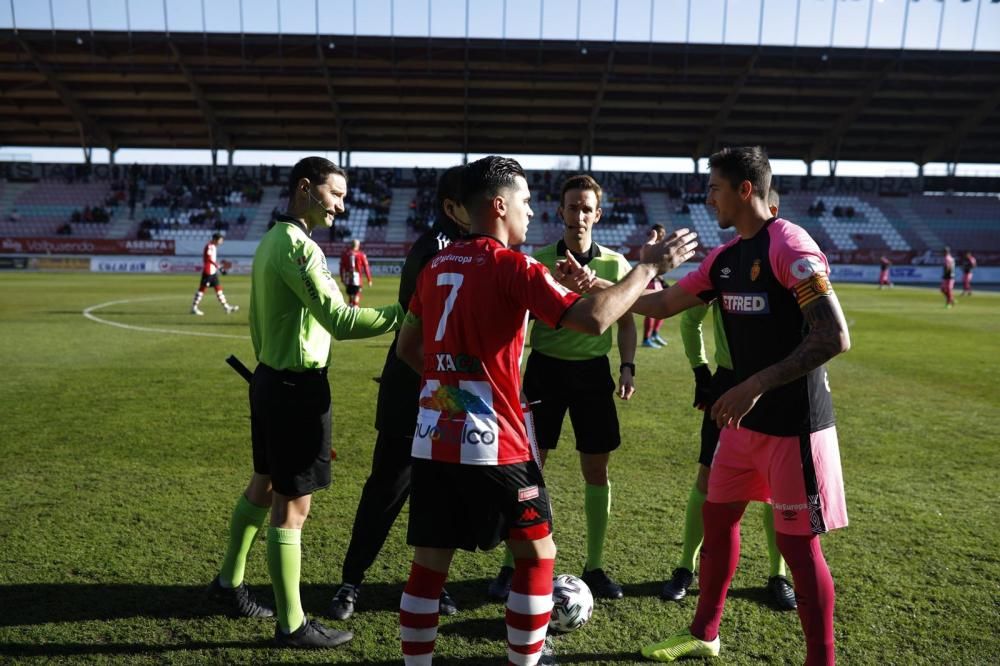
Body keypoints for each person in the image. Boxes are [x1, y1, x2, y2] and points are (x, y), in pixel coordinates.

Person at [394, 155, 697, 665]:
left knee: (429, 564)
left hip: (434, 433)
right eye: (527, 202)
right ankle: (525, 662)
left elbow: (407, 348)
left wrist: (453, 385)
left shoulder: (436, 265)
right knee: (538, 555)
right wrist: (649, 267)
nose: (532, 213)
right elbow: (596, 319)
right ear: (498, 206)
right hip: (497, 439)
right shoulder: (515, 265)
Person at [630, 146, 850, 665]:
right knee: (717, 518)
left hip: (794, 427)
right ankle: (705, 632)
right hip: (742, 426)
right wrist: (592, 288)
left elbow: (833, 336)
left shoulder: (791, 244)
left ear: (745, 189)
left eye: (715, 189)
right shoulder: (726, 257)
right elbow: (663, 303)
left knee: (798, 549)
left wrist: (754, 385)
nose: (709, 199)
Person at [207, 157, 405, 649]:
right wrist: (406, 312)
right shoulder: (298, 247)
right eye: (335, 194)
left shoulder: (272, 240)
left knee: (264, 482)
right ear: (305, 189)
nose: (342, 205)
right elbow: (339, 319)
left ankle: (227, 583)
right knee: (292, 505)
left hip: (270, 382)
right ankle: (292, 624)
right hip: (296, 390)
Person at [329, 166, 471, 621]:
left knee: (441, 493)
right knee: (387, 489)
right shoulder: (434, 250)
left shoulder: (474, 248)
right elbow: (422, 337)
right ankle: (350, 582)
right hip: (414, 389)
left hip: (446, 388)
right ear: (452, 207)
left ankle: (433, 587)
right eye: (476, 198)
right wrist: (454, 397)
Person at [485, 174, 635, 602]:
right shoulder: (539, 260)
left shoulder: (615, 265)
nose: (580, 215)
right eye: (573, 207)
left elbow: (626, 320)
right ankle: (510, 566)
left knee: (597, 470)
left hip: (593, 374)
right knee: (529, 470)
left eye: (587, 208)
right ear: (561, 212)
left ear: (598, 214)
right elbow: (519, 323)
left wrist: (627, 366)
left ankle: (596, 566)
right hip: (545, 372)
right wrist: (511, 375)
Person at [661, 185, 795, 611]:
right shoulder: (726, 264)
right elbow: (688, 319)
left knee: (776, 490)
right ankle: (686, 567)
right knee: (707, 477)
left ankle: (778, 575)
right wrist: (701, 372)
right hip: (727, 382)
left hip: (774, 384)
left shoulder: (786, 258)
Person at [191, 233, 238, 316]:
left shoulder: (213, 247)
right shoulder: (209, 246)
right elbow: (208, 259)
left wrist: (218, 268)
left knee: (219, 289)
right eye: (220, 240)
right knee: (202, 290)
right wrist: (219, 267)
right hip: (208, 272)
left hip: (213, 272)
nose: (222, 241)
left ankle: (227, 307)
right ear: (216, 239)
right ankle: (194, 308)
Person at [643, 224, 669, 349]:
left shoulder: (660, 246)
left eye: (664, 233)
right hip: (650, 281)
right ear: (654, 232)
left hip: (657, 280)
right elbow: (648, 265)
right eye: (661, 233)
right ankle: (646, 339)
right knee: (651, 311)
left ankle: (654, 334)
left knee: (661, 308)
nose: (663, 235)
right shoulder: (650, 245)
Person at [340, 239, 373, 307]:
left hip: (348, 277)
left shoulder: (345, 254)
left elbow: (341, 268)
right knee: (357, 295)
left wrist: (342, 278)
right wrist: (369, 279)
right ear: (358, 245)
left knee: (351, 296)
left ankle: (350, 309)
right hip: (357, 278)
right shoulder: (361, 255)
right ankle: (355, 308)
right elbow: (366, 267)